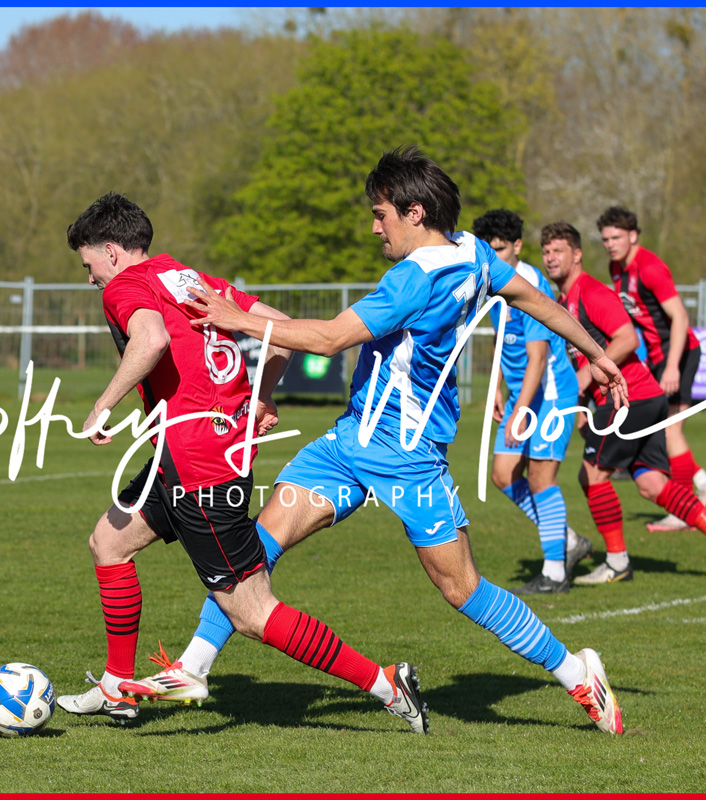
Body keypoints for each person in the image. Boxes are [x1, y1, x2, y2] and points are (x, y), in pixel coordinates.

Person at [127, 147, 628, 735]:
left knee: (460, 587)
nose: (374, 226)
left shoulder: (415, 279)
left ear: (414, 212)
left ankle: (577, 673)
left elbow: (331, 338)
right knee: (257, 547)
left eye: (380, 214)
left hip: (409, 457)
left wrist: (239, 321)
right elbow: (537, 300)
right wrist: (596, 351)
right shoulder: (471, 252)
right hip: (347, 445)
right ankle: (194, 666)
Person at [55, 192, 431, 734]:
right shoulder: (182, 276)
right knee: (109, 543)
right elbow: (276, 325)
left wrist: (103, 403)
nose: (90, 277)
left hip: (198, 467)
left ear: (111, 252)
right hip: (187, 456)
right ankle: (118, 689)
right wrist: (265, 394)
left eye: (88, 264)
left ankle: (388, 685)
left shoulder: (124, 286)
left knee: (252, 612)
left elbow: (152, 340)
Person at [540, 220, 706, 586]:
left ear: (577, 254)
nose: (550, 258)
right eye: (546, 251)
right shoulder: (565, 300)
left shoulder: (590, 292)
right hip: (641, 396)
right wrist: (585, 401)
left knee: (591, 475)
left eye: (558, 250)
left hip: (629, 396)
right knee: (651, 483)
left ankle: (617, 562)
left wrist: (587, 376)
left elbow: (626, 339)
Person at [471, 209, 593, 594]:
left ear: (518, 246)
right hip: (523, 394)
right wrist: (495, 390)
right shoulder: (492, 281)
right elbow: (499, 339)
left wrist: (521, 409)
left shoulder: (530, 284)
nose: (494, 257)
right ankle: (568, 541)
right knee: (504, 475)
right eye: (487, 251)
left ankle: (555, 573)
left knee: (541, 478)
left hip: (551, 394)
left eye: (501, 249)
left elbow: (538, 359)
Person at [597, 206, 706, 532]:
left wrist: (671, 367)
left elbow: (680, 318)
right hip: (658, 355)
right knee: (663, 430)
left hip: (679, 353)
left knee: (671, 430)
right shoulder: (616, 267)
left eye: (617, 237)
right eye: (605, 239)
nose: (611, 244)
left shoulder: (651, 268)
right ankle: (703, 482)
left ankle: (684, 506)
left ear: (633, 235)